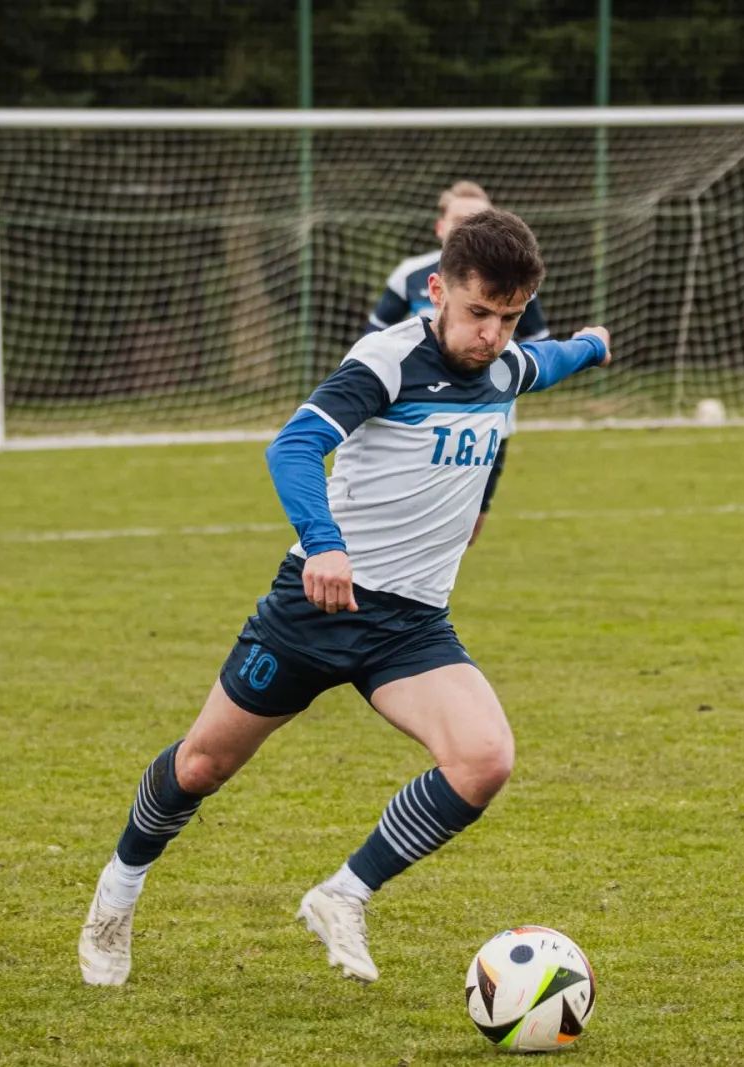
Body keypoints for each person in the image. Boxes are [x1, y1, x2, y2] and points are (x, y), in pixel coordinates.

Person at [78, 209, 612, 988]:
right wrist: (323, 541)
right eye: (477, 313)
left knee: (484, 758)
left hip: (411, 627)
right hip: (316, 605)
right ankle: (117, 893)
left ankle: (343, 893)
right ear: (437, 292)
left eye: (509, 317)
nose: (492, 335)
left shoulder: (506, 367)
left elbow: (548, 359)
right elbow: (295, 445)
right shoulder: (387, 360)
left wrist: (591, 345)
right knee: (200, 764)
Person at [368, 181, 552, 544]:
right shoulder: (410, 275)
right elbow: (373, 335)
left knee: (465, 531)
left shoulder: (513, 281)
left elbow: (541, 342)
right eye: (459, 221)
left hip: (488, 415)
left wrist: (506, 372)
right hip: (420, 413)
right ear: (441, 228)